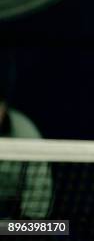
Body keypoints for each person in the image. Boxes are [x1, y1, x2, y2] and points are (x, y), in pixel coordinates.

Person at [0, 52, 53, 219]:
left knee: (60, 229)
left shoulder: (27, 134)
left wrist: (22, 228)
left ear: (4, 106)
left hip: (16, 222)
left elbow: (39, 194)